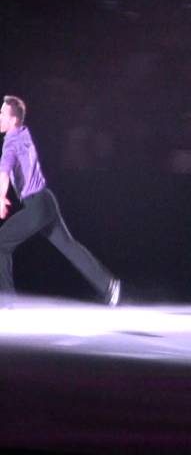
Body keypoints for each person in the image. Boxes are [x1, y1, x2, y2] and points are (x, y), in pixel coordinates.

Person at [0, 95, 120, 308]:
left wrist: (1, 197)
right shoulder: (24, 133)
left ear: (14, 120)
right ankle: (108, 284)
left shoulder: (10, 143)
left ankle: (7, 301)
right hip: (47, 200)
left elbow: (4, 173)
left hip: (36, 205)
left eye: (2, 114)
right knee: (69, 246)